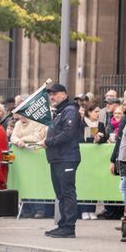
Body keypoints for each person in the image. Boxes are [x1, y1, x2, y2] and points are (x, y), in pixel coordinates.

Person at [44, 83, 82, 238]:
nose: (52, 97)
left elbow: (68, 133)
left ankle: (69, 227)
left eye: (55, 94)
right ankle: (63, 224)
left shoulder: (70, 110)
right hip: (58, 158)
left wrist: (48, 142)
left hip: (67, 157)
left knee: (67, 193)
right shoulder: (61, 111)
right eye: (50, 95)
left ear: (64, 94)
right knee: (61, 194)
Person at [105, 87, 126, 223]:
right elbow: (120, 138)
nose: (123, 101)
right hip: (124, 157)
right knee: (125, 186)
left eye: (125, 98)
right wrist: (114, 159)